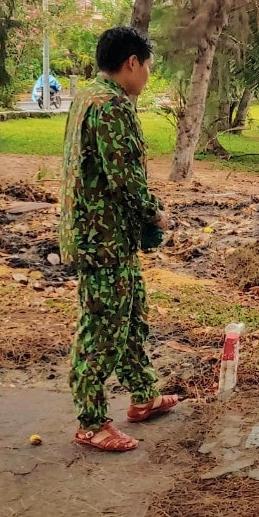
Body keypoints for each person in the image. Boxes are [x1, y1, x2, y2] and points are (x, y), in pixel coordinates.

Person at [59, 26, 177, 452]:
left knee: (130, 316)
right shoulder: (112, 106)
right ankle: (91, 422)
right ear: (132, 63)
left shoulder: (88, 96)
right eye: (147, 66)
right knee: (103, 328)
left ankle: (143, 394)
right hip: (103, 238)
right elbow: (124, 176)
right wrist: (155, 213)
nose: (146, 75)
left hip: (104, 235)